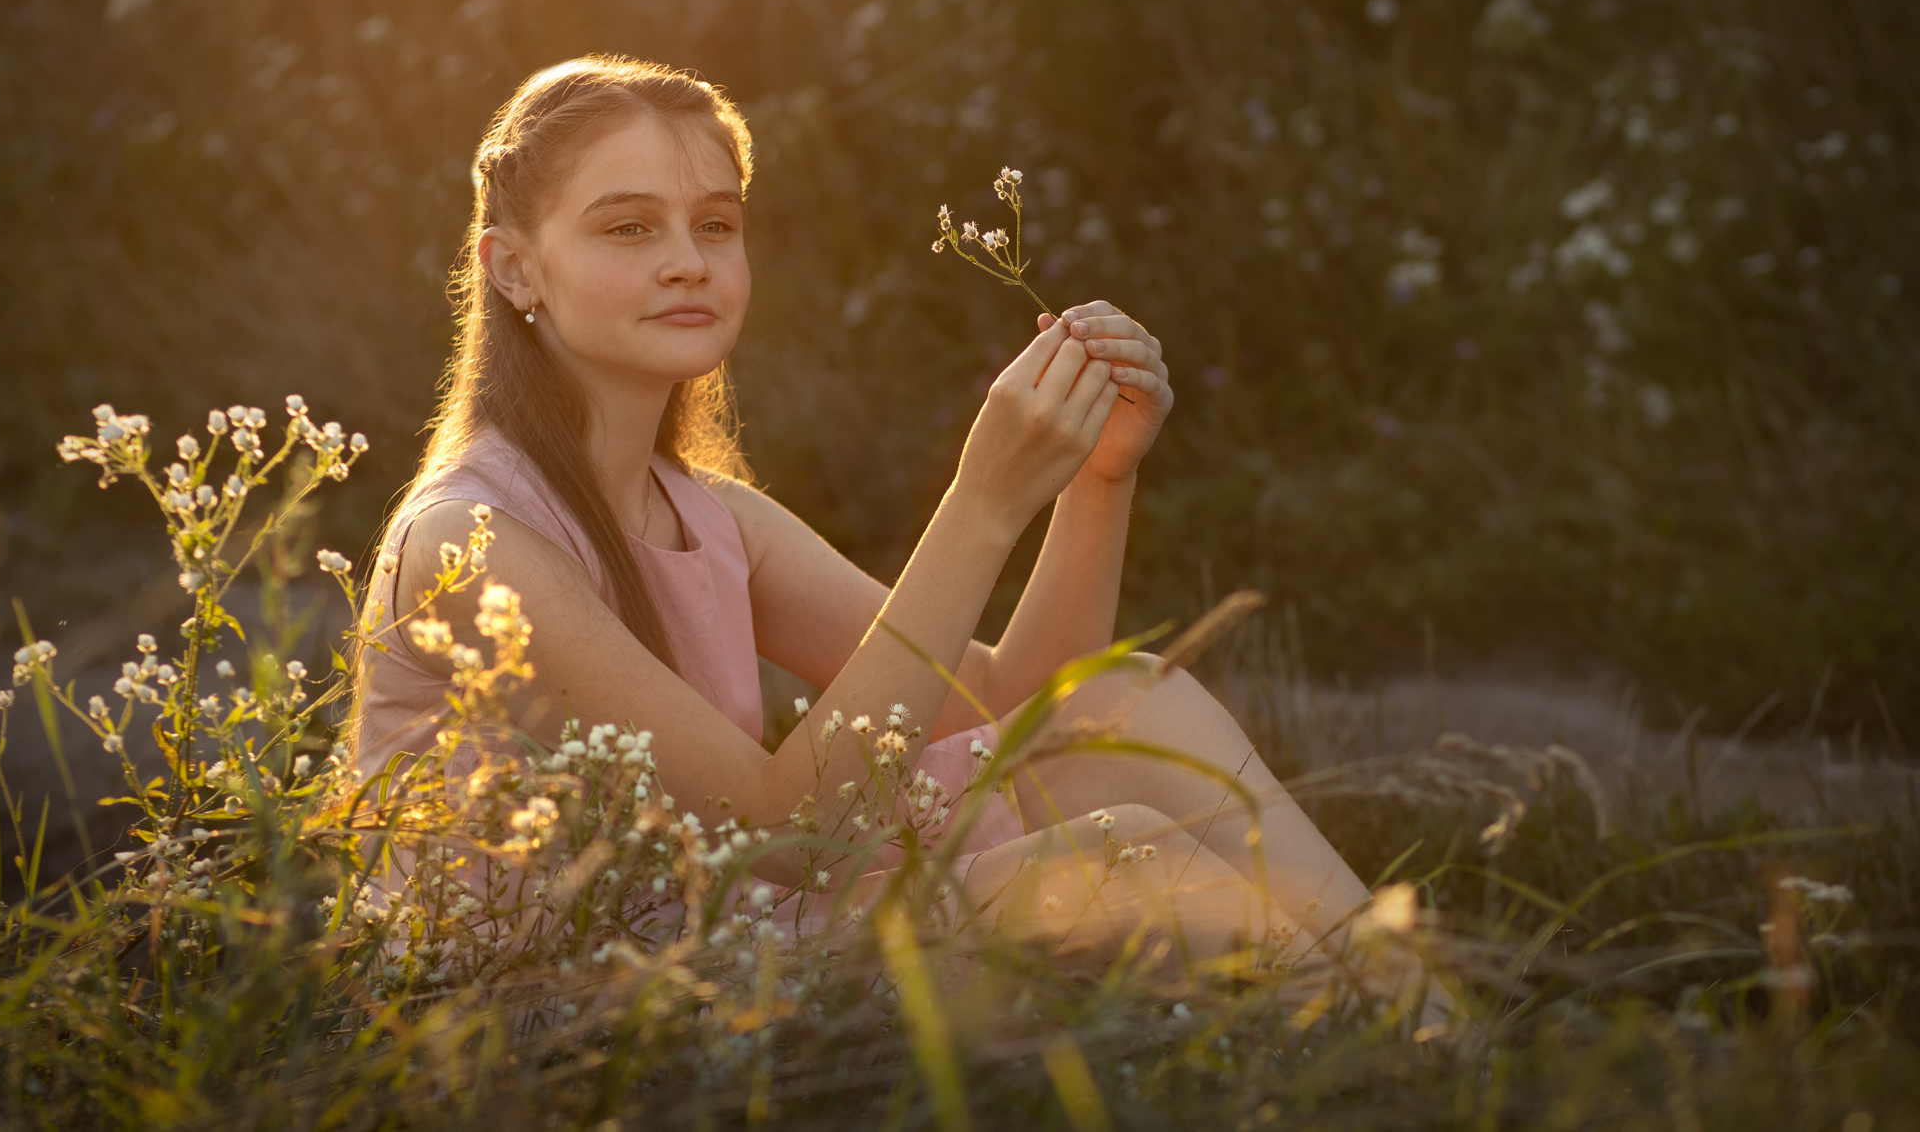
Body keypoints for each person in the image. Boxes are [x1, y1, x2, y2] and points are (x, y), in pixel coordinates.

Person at [353, 54, 1386, 971]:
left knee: (1122, 701)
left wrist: (1094, 479)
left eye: (715, 224)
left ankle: (1423, 1017)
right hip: (577, 1010)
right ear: (512, 266)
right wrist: (979, 503)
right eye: (629, 227)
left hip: (741, 923)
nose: (687, 259)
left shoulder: (708, 513)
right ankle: (1411, 1045)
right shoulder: (472, 540)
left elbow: (1017, 700)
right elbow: (781, 832)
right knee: (1127, 859)